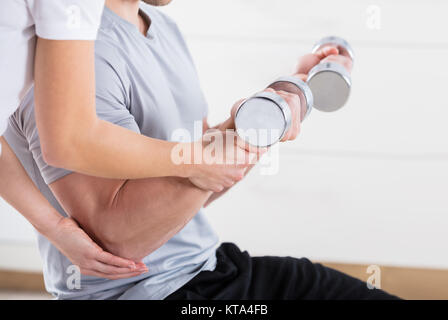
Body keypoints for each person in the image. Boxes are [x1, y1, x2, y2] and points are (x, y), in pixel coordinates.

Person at [4, 0, 398, 299]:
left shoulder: (161, 27)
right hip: (151, 292)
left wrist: (290, 92)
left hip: (209, 269)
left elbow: (200, 181)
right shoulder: (74, 49)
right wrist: (247, 134)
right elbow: (119, 239)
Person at [0, 0, 253, 279]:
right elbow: (69, 142)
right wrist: (194, 161)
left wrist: (262, 122)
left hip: (207, 262)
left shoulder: (160, 27)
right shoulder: (80, 26)